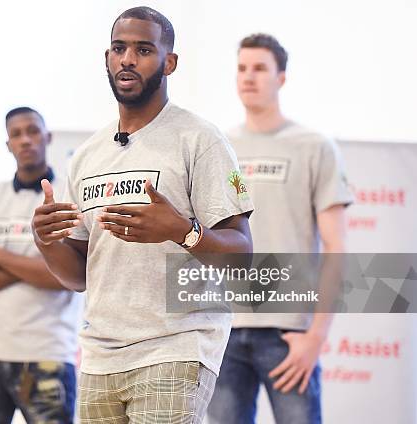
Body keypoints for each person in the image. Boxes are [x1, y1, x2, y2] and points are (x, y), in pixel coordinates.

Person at [31, 7, 253, 423]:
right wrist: (46, 241)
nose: (128, 59)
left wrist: (182, 231)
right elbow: (79, 275)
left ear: (169, 62)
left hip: (176, 347)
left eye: (143, 49)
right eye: (119, 48)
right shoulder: (87, 156)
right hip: (99, 357)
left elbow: (241, 256)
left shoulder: (200, 139)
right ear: (107, 59)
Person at [207, 34, 353, 424]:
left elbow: (337, 246)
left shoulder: (314, 146)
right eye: (241, 68)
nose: (248, 77)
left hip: (289, 335)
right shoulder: (219, 147)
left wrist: (316, 337)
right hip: (223, 330)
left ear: (281, 77)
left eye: (259, 68)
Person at [0, 106, 82, 424]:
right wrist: (36, 265)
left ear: (47, 137)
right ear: (8, 144)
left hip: (48, 356)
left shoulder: (69, 198)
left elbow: (66, 276)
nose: (25, 140)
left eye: (33, 131)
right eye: (16, 134)